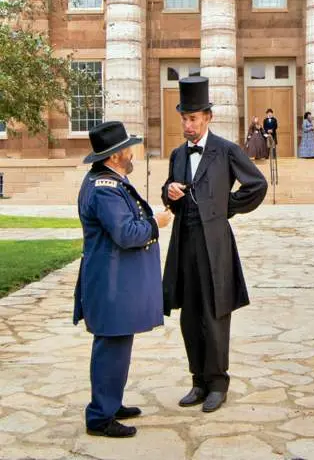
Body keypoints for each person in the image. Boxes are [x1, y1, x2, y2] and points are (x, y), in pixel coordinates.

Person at [162, 76, 268, 413]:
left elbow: (257, 185)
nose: (187, 124)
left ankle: (218, 383)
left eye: (193, 118)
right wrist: (170, 192)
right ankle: (198, 380)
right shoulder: (178, 154)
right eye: (183, 117)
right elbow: (170, 191)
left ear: (208, 117)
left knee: (214, 312)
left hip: (216, 244)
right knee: (189, 315)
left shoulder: (226, 150)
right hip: (185, 242)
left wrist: (226, 207)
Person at [73, 121, 171, 437]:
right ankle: (100, 417)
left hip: (114, 281)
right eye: (127, 148)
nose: (131, 153)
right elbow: (127, 233)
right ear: (115, 156)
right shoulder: (104, 189)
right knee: (111, 346)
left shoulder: (108, 182)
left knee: (118, 344)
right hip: (110, 283)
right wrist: (156, 223)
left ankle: (110, 402)